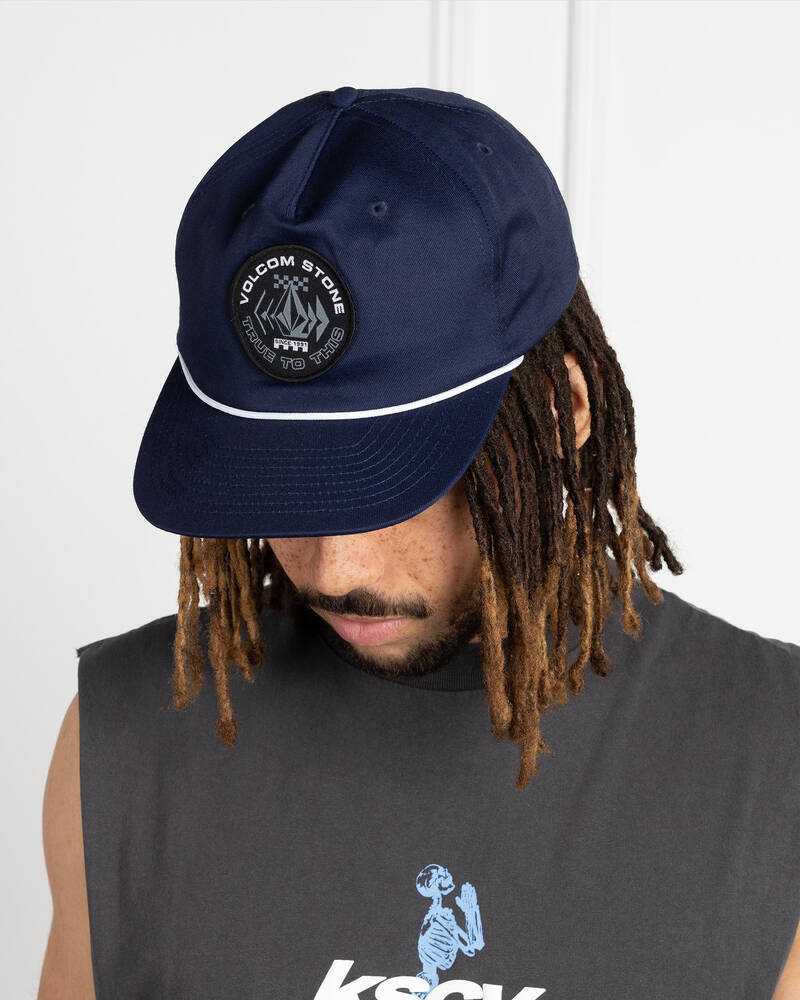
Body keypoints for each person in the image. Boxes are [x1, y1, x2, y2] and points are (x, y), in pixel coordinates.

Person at [39, 87, 800, 999]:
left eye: (388, 482)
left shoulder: (776, 760)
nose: (336, 568)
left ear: (562, 412)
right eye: (280, 480)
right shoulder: (122, 741)